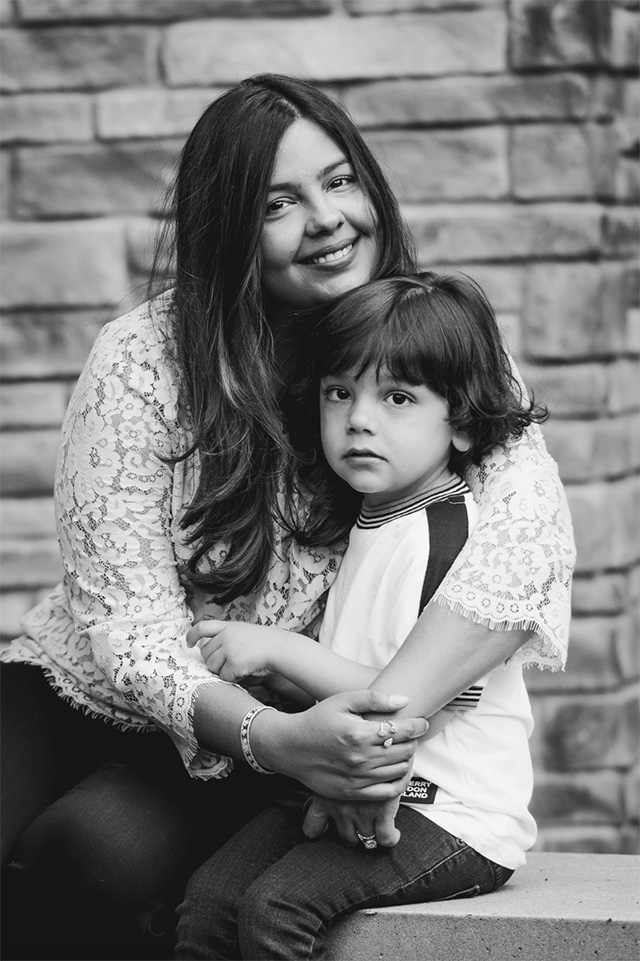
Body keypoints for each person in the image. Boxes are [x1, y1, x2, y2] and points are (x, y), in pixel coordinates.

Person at [0, 75, 574, 961]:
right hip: (97, 688)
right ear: (227, 230)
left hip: (277, 718)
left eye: (341, 181)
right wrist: (289, 742)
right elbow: (132, 632)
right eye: (280, 202)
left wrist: (363, 740)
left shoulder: (429, 344)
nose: (328, 218)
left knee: (95, 857)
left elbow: (525, 544)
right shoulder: (141, 361)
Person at [173, 270, 550, 960]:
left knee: (275, 908)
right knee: (211, 897)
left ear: (463, 424)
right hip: (354, 779)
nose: (359, 419)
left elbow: (404, 699)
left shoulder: (451, 535)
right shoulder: (371, 521)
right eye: (339, 392)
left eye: (398, 397)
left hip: (451, 813)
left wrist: (279, 649)